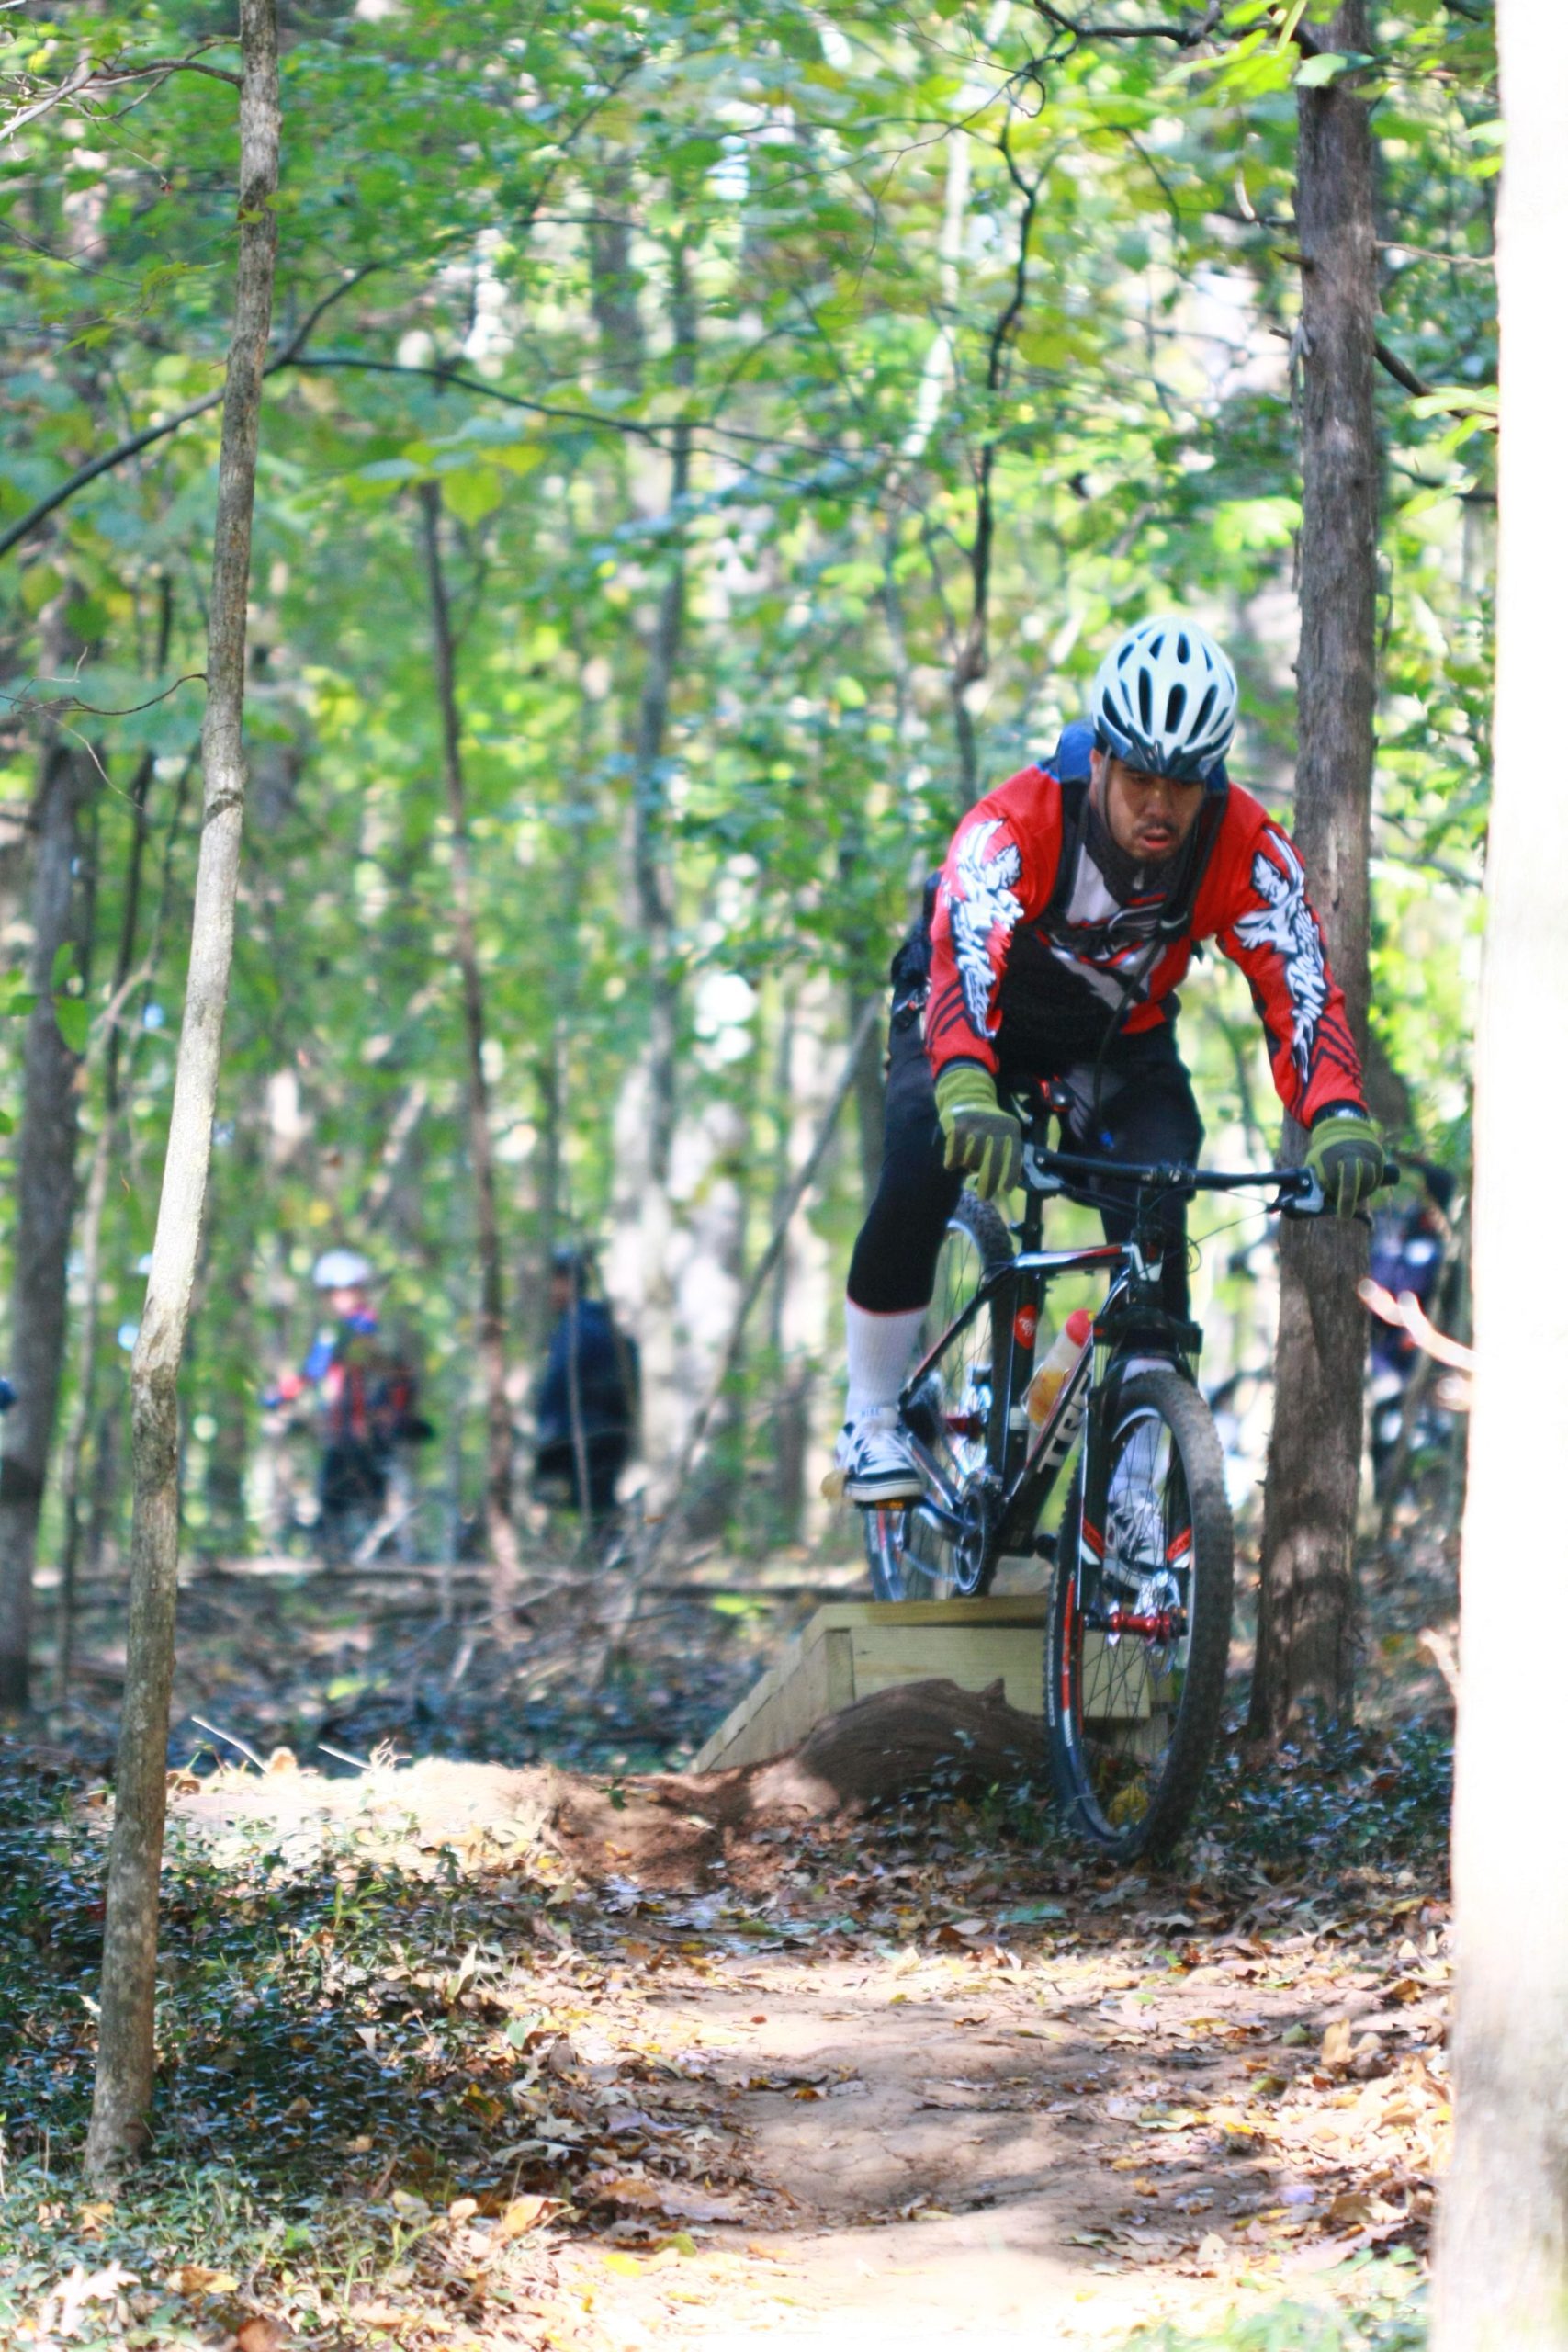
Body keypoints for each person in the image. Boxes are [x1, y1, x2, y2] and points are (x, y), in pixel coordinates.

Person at [834, 615, 1384, 1502]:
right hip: (974, 1018)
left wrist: (1337, 1112)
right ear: (1099, 759)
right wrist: (967, 1083)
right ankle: (869, 1416)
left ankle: (1138, 1471)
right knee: (919, 1154)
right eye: (1137, 779)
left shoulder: (1242, 845)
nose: (1158, 806)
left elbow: (1300, 979)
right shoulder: (1013, 825)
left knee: (1159, 1204)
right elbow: (963, 949)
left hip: (1110, 1040)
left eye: (1182, 784)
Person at [268, 1248, 427, 1559]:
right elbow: (315, 1371)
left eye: (341, 1291)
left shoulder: (364, 1330)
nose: (335, 1299)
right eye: (330, 1293)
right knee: (345, 1505)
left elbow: (397, 1377)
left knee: (350, 1505)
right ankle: (348, 1561)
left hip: (363, 1437)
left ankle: (368, 1563)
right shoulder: (345, 1331)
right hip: (346, 1435)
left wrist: (282, 1395)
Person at [533, 1246, 637, 1533]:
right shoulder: (604, 1324)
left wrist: (546, 1433)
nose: (550, 1291)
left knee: (581, 1504)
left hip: (582, 1436)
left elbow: (559, 1383)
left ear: (567, 1282)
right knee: (599, 1507)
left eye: (554, 1282)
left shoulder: (576, 1326)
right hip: (613, 1435)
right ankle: (614, 1557)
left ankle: (617, 1555)